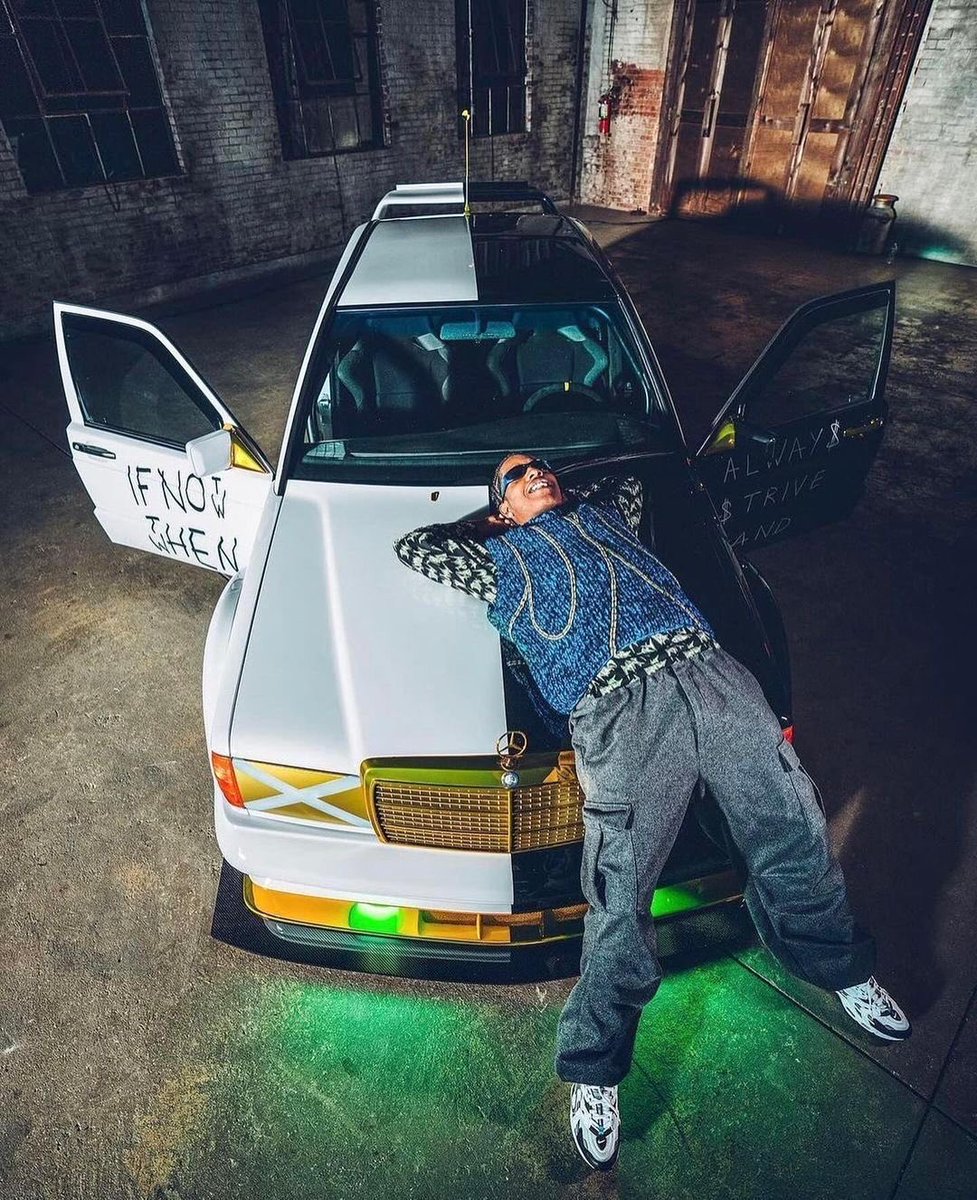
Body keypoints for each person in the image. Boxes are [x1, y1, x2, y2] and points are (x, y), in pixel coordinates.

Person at [394, 452, 910, 1172]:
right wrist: (493, 519)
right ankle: (593, 1071)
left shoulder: (607, 515)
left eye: (541, 467)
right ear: (497, 509)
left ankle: (838, 964)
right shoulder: (495, 559)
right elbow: (416, 546)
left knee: (791, 829)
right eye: (515, 477)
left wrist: (556, 495)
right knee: (618, 892)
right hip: (617, 711)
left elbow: (628, 482)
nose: (535, 474)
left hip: (710, 674)